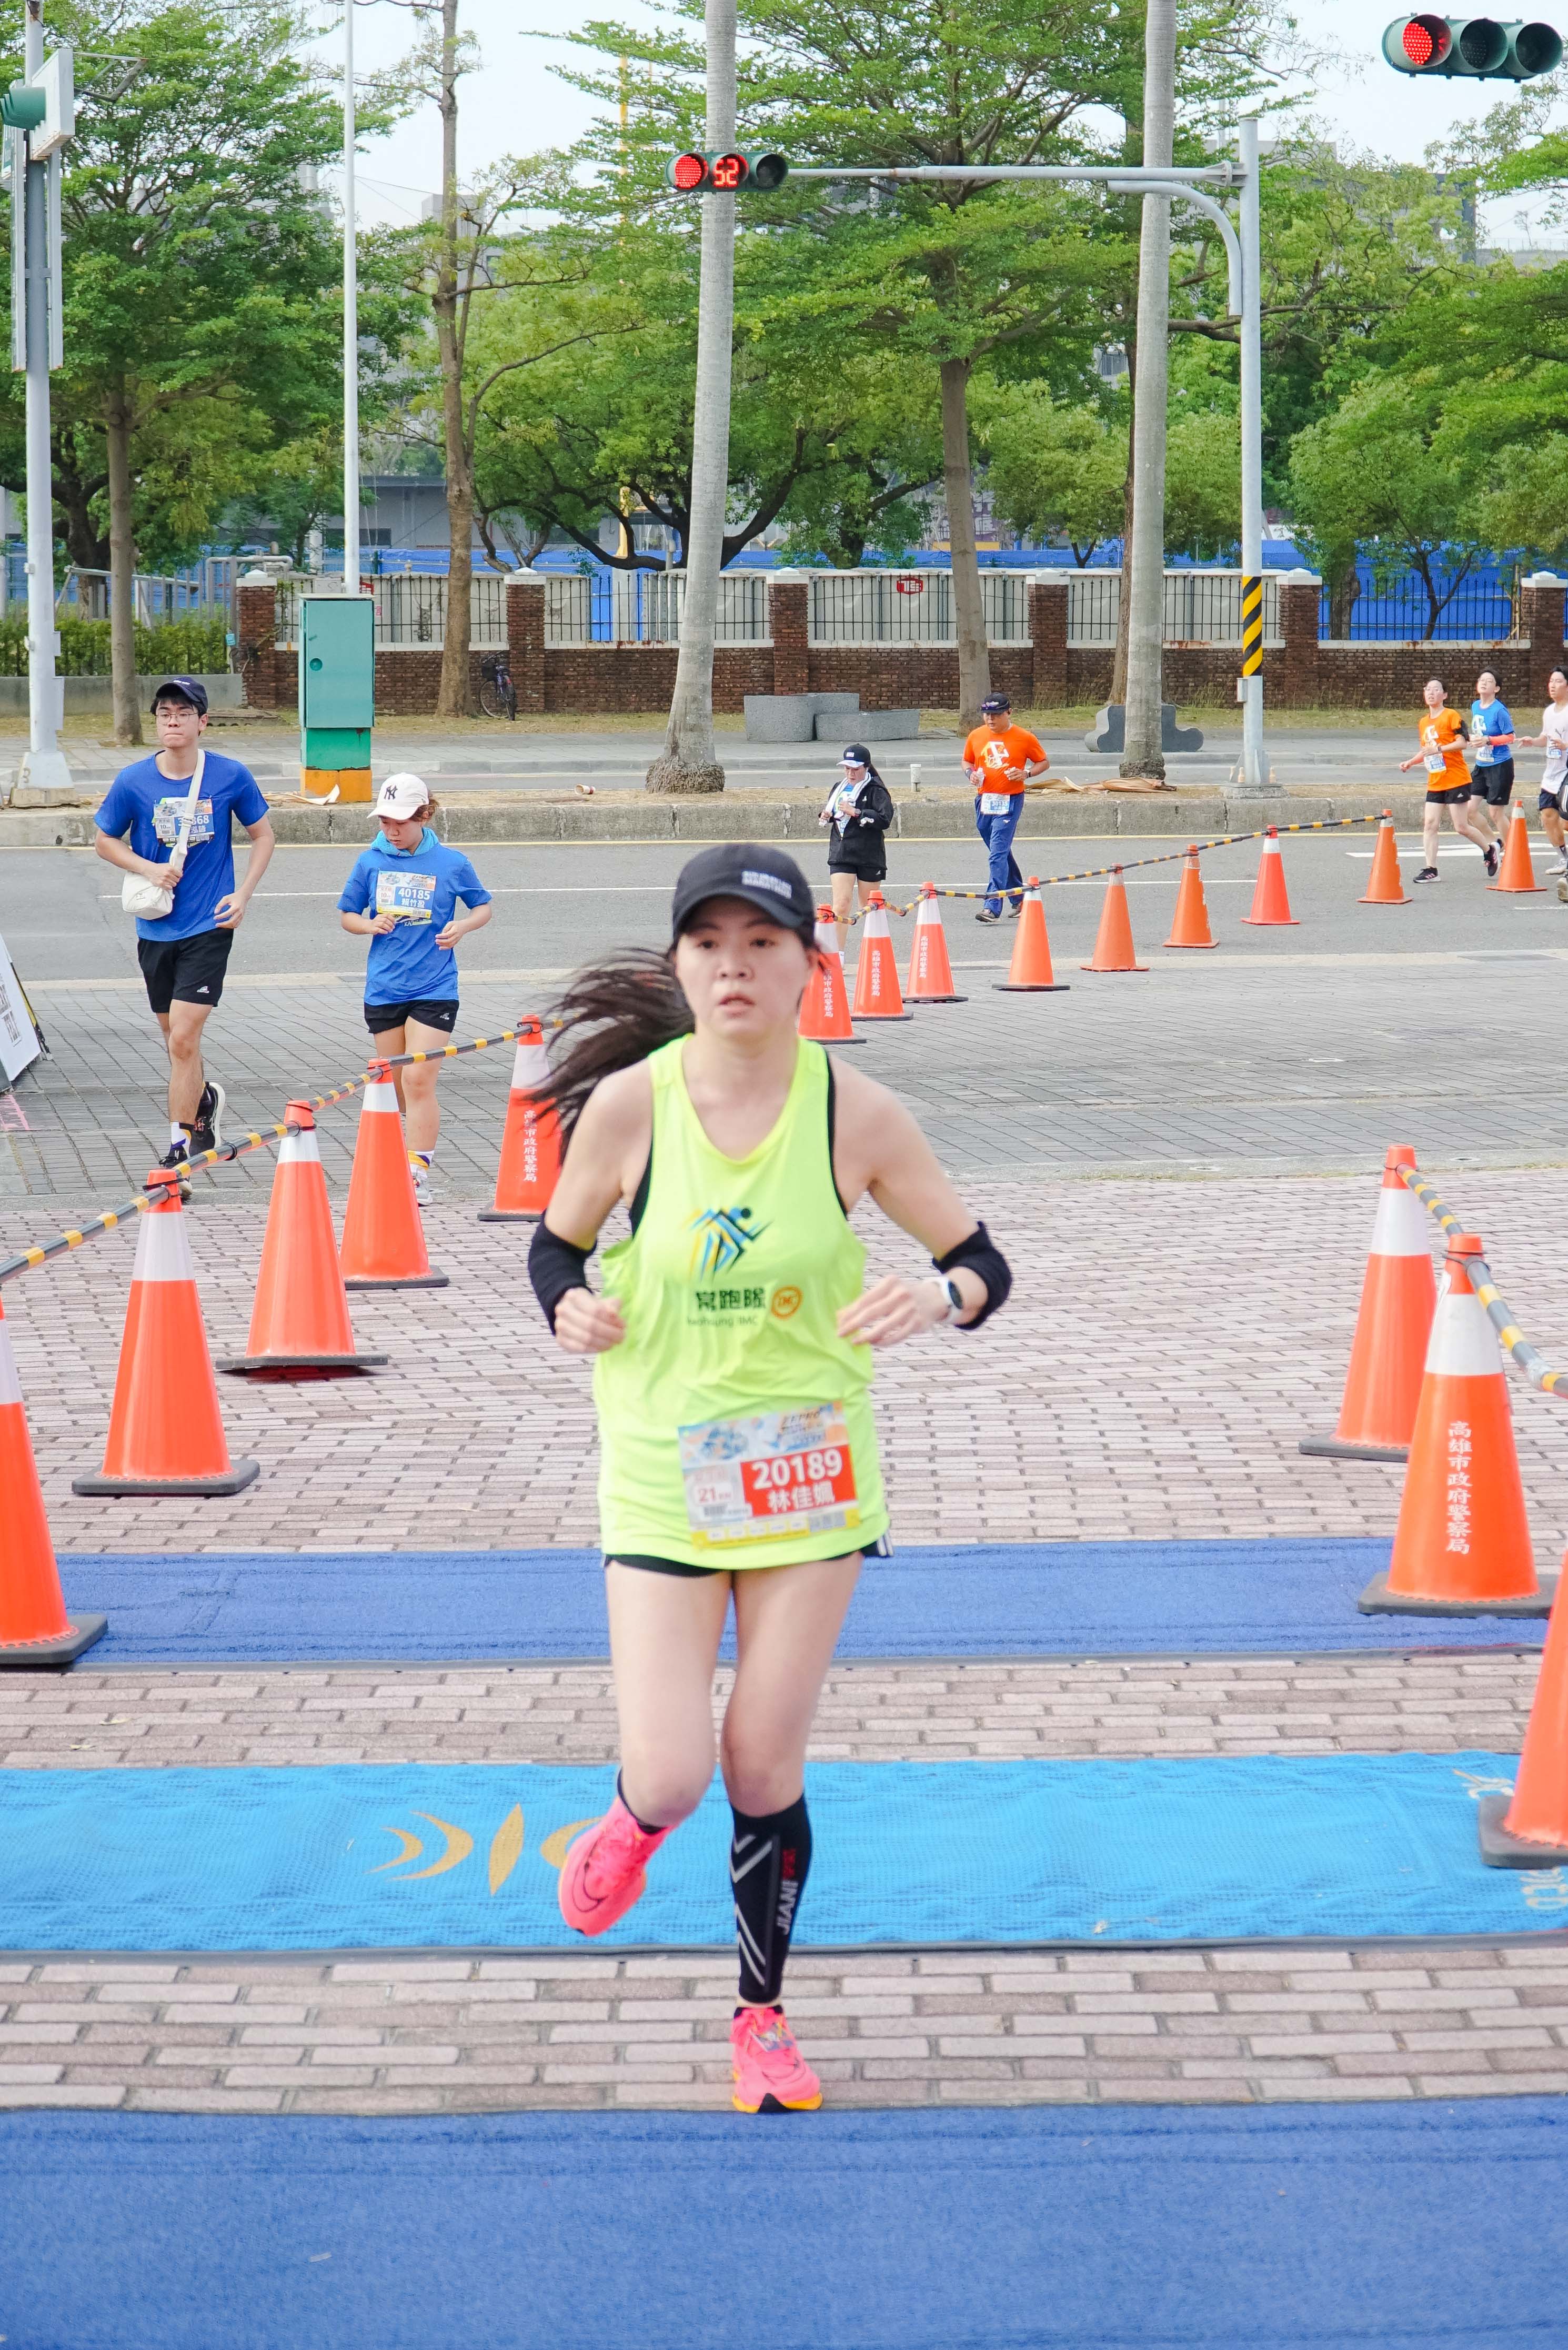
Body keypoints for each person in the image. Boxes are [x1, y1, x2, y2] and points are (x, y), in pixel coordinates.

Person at [527, 843, 1011, 2114]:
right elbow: (553, 1247)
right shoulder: (629, 1106)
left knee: (757, 1764)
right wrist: (568, 1306)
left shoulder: (858, 1114)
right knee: (673, 1773)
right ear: (679, 964)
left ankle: (760, 2017)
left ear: (810, 965)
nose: (732, 967)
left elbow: (980, 1262)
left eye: (761, 945)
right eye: (708, 945)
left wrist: (938, 1298)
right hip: (661, 1469)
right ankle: (630, 1823)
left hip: (807, 1480)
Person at [93, 676, 275, 1187]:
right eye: (164, 713)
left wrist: (243, 895)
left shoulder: (229, 775)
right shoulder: (134, 781)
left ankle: (179, 1153)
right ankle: (205, 1102)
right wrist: (148, 868)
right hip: (156, 928)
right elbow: (105, 840)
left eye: (183, 713)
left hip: (208, 925)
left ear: (203, 721)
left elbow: (263, 835)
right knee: (177, 1042)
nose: (172, 721)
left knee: (182, 1038)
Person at [337, 773, 493, 1201]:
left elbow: (483, 906)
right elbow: (348, 915)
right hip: (385, 988)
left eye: (401, 822)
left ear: (424, 815)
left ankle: (417, 1174)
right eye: (385, 821)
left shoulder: (451, 862)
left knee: (420, 1079)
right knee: (396, 1086)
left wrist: (462, 926)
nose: (391, 830)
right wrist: (369, 924)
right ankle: (400, 1158)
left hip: (436, 986)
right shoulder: (370, 861)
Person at [1397, 677, 1497, 883]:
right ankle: (1431, 869)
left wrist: (1439, 749)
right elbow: (1427, 750)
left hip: (1456, 779)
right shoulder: (1423, 722)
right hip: (1436, 780)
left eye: (1436, 690)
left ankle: (1489, 850)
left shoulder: (1451, 716)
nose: (1431, 693)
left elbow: (1462, 743)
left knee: (1461, 827)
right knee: (1430, 824)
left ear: (1444, 695)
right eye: (1428, 689)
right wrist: (1411, 762)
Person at [961, 692, 1048, 921]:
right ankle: (1019, 898)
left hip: (1010, 800)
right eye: (987, 715)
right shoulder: (976, 736)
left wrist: (1026, 773)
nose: (991, 719)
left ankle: (992, 906)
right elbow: (967, 760)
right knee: (999, 853)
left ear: (1009, 713)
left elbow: (1043, 762)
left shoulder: (1024, 737)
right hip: (984, 800)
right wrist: (971, 774)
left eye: (997, 715)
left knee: (997, 853)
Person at [818, 744, 896, 952]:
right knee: (841, 903)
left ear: (866, 767)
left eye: (856, 769)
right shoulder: (839, 787)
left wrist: (858, 812)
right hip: (841, 851)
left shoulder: (876, 790)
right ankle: (836, 955)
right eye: (847, 769)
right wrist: (827, 815)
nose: (851, 774)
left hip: (868, 854)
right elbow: (837, 814)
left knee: (868, 907)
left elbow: (885, 819)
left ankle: (873, 954)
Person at [1517, 667, 1568, 885]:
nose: (1552, 685)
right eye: (1551, 681)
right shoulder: (1549, 712)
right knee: (1547, 816)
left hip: (1567, 772)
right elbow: (1545, 738)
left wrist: (1565, 745)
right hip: (1552, 773)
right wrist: (1533, 741)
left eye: (1558, 681)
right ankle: (1564, 858)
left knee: (1565, 821)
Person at [1466, 670, 1515, 857]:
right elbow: (1480, 732)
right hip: (1481, 765)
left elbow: (1511, 737)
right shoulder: (1476, 706)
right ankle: (1495, 843)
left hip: (1500, 765)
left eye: (1489, 681)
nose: (1484, 683)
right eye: (1482, 680)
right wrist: (1474, 739)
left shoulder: (1499, 710)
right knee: (1469, 809)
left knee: (1495, 813)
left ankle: (1513, 850)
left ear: (1497, 688)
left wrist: (1488, 740)